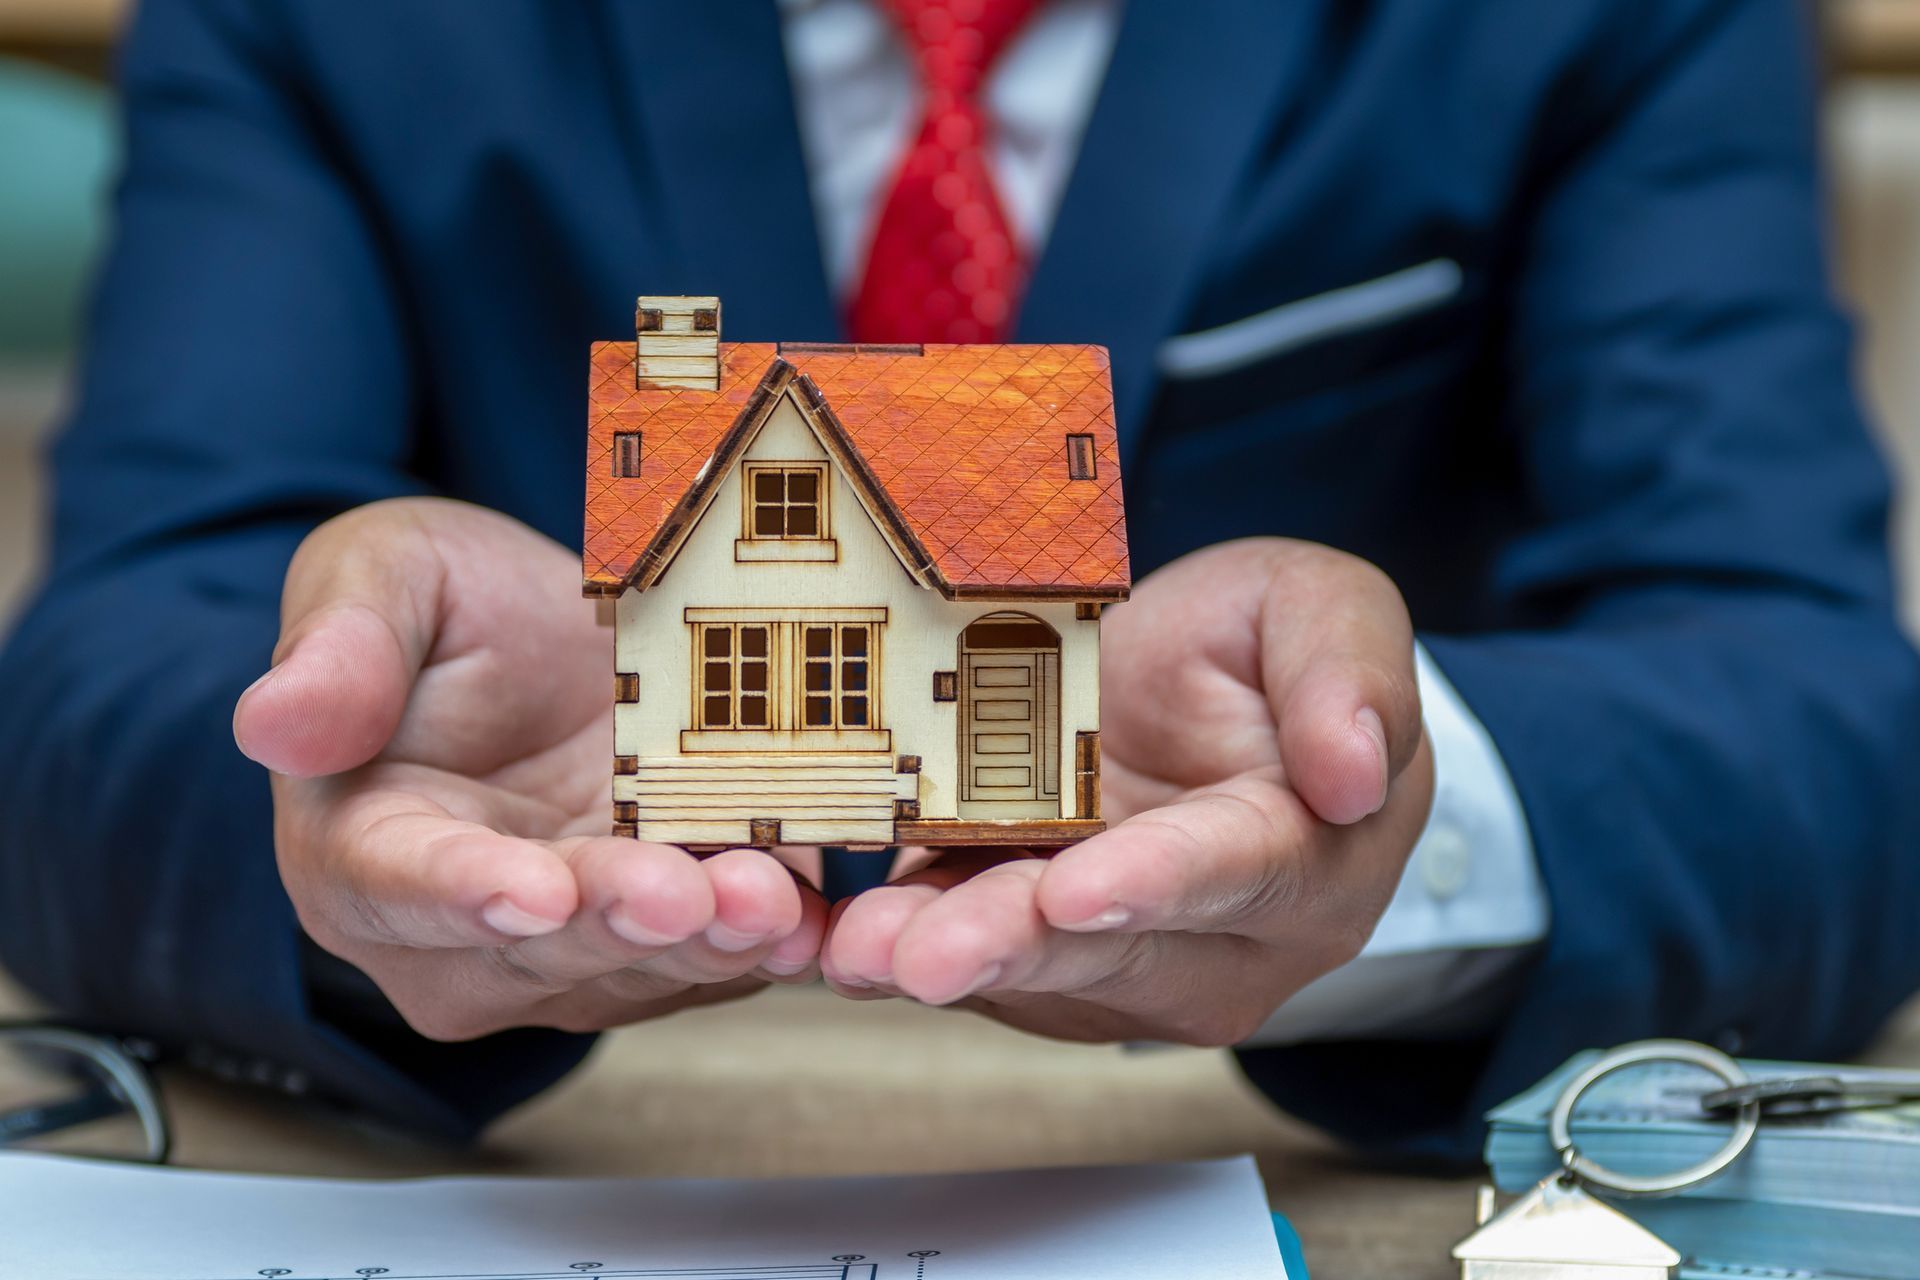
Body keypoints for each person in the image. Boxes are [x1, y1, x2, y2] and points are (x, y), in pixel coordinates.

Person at [2, 0, 1916, 1165]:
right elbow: (97, 688)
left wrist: (1387, 807)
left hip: (1281, 1143)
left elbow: (1826, 727)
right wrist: (347, 796)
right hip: (561, 1156)